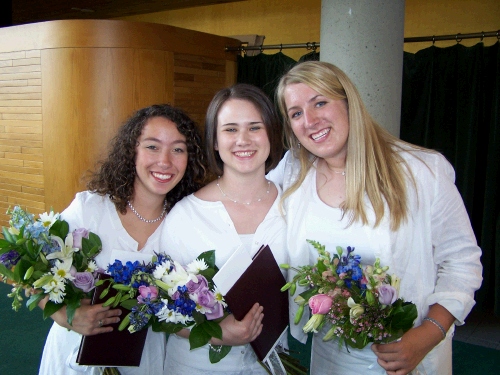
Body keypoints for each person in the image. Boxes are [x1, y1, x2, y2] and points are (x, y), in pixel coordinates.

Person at [267, 61, 482, 375]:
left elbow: (461, 260)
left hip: (408, 355)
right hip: (332, 357)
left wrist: (428, 334)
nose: (310, 120)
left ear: (349, 103)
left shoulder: (421, 171)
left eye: (320, 103)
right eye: (296, 113)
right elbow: (247, 211)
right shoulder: (293, 171)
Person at [38, 104, 205, 375]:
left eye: (178, 149)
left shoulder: (185, 223)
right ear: (132, 150)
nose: (165, 161)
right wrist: (66, 315)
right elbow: (33, 275)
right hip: (73, 354)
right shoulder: (89, 209)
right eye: (152, 146)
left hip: (143, 360)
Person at [162, 83, 286, 374]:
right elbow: (161, 308)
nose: (243, 139)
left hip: (269, 363)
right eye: (230, 129)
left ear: (271, 134)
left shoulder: (293, 207)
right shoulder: (187, 215)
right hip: (197, 366)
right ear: (215, 141)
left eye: (255, 127)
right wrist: (218, 332)